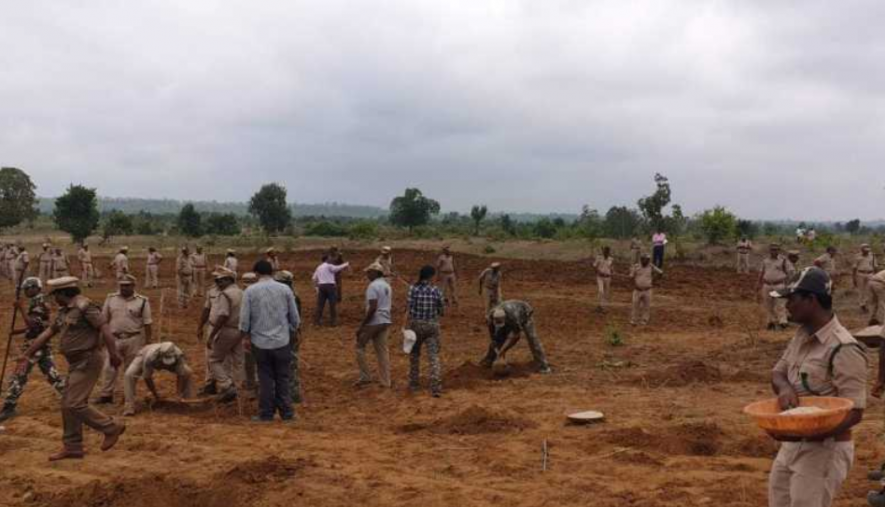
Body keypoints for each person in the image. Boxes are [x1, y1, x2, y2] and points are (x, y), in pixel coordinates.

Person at [767, 267, 866, 507]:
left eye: (792, 299)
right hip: (792, 443)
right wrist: (785, 389)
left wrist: (806, 433)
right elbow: (778, 372)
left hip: (825, 450)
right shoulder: (801, 335)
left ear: (811, 300)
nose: (787, 306)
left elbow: (855, 412)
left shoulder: (844, 348)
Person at [15, 276, 126, 460]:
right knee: (67, 403)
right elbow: (48, 333)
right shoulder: (64, 311)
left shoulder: (85, 306)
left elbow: (105, 328)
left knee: (74, 403)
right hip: (75, 363)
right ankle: (73, 446)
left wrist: (114, 354)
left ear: (63, 293)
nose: (54, 299)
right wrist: (26, 354)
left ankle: (111, 427)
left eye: (55, 295)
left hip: (88, 360)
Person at [240, 260, 300, 422]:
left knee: (265, 378)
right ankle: (287, 414)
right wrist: (291, 330)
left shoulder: (250, 291)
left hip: (260, 343)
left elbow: (244, 320)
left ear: (256, 273)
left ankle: (266, 414)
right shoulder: (285, 289)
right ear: (272, 272)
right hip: (282, 342)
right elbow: (295, 318)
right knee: (283, 378)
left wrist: (246, 337)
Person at [0, 278, 65, 422]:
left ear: (35, 288)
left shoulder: (39, 303)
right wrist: (17, 331)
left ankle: (9, 407)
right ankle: (71, 398)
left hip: (34, 346)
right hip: (42, 345)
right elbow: (39, 326)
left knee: (18, 375)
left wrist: (21, 308)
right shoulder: (39, 301)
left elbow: (33, 325)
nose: (25, 291)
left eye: (27, 288)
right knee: (52, 374)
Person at [95, 274, 152, 404]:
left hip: (134, 338)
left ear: (133, 286)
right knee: (109, 368)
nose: (124, 288)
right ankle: (106, 395)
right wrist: (101, 339)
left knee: (131, 369)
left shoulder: (142, 301)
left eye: (127, 285)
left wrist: (148, 342)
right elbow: (104, 320)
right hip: (114, 338)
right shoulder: (111, 299)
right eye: (122, 285)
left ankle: (128, 395)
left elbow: (147, 323)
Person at [122, 341, 193, 416]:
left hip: (165, 360)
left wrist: (178, 394)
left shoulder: (178, 354)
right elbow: (147, 377)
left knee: (187, 372)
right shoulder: (150, 356)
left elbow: (181, 374)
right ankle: (129, 406)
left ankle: (186, 401)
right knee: (129, 374)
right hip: (144, 355)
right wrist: (155, 395)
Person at [205, 267, 243, 403]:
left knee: (213, 360)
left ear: (229, 280)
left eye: (221, 281)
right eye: (217, 281)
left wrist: (212, 335)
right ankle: (239, 388)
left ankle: (227, 385)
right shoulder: (241, 292)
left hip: (227, 329)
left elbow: (223, 316)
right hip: (240, 330)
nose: (218, 284)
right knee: (238, 360)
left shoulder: (225, 294)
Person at [481, 300, 552, 374]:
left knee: (532, 339)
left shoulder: (512, 318)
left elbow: (515, 337)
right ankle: (489, 359)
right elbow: (493, 336)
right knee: (498, 338)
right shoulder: (490, 318)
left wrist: (502, 351)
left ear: (505, 319)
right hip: (509, 313)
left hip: (524, 312)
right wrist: (495, 344)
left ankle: (543, 366)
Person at [405, 266, 444, 397]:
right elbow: (441, 309)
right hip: (432, 326)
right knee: (433, 356)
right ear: (431, 276)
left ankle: (414, 384)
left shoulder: (413, 289)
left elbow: (409, 308)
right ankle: (435, 386)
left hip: (416, 325)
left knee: (414, 355)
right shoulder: (436, 290)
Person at [355, 263, 392, 388]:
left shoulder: (372, 286)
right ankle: (386, 381)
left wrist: (362, 326)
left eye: (369, 272)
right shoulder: (387, 285)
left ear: (375, 273)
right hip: (385, 320)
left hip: (374, 321)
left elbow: (372, 308)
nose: (367, 275)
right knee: (382, 351)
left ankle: (365, 376)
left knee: (360, 346)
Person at [273, 270, 304, 403]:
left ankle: (291, 393)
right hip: (292, 332)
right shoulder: (293, 295)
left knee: (286, 363)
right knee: (292, 363)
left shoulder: (285, 296)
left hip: (285, 333)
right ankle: (293, 392)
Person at [758, 244, 790, 331]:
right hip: (767, 284)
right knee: (768, 304)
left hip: (779, 284)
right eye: (772, 249)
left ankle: (783, 322)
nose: (774, 251)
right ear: (769, 251)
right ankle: (771, 321)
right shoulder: (765, 261)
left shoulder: (783, 261)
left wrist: (788, 284)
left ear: (779, 251)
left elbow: (789, 273)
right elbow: (761, 273)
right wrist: (759, 284)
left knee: (780, 304)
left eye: (776, 250)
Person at [312, 255, 350, 327]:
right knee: (332, 304)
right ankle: (333, 322)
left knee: (320, 305)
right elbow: (337, 268)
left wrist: (316, 287)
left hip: (321, 286)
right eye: (330, 258)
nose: (331, 259)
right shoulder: (329, 266)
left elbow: (314, 278)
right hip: (330, 287)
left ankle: (317, 322)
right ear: (327, 259)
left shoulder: (319, 267)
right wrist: (346, 264)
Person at [629, 253, 663, 326]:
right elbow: (631, 277)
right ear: (641, 260)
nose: (646, 261)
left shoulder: (651, 266)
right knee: (635, 305)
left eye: (647, 260)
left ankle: (644, 320)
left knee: (646, 306)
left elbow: (660, 272)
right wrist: (635, 285)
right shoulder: (636, 266)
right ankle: (634, 320)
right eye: (644, 259)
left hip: (647, 289)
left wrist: (654, 281)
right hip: (637, 290)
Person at [240, 272, 259, 392]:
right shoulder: (261, 294)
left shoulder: (243, 295)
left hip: (249, 332)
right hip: (260, 332)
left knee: (248, 359)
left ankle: (251, 382)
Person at [853, 244, 878, 313]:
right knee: (861, 290)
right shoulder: (857, 256)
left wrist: (876, 276)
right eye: (865, 250)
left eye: (867, 250)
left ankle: (866, 304)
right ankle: (862, 305)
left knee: (869, 290)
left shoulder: (872, 256)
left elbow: (875, 266)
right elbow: (854, 267)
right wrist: (854, 278)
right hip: (860, 274)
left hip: (870, 274)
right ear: (861, 250)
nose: (866, 252)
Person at [593, 246, 614, 313]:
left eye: (607, 252)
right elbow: (594, 266)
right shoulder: (599, 258)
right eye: (605, 251)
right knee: (601, 291)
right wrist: (598, 271)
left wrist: (612, 271)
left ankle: (603, 307)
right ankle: (600, 306)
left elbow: (611, 267)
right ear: (603, 251)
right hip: (600, 277)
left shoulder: (611, 259)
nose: (606, 253)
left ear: (609, 252)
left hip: (608, 277)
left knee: (606, 293)